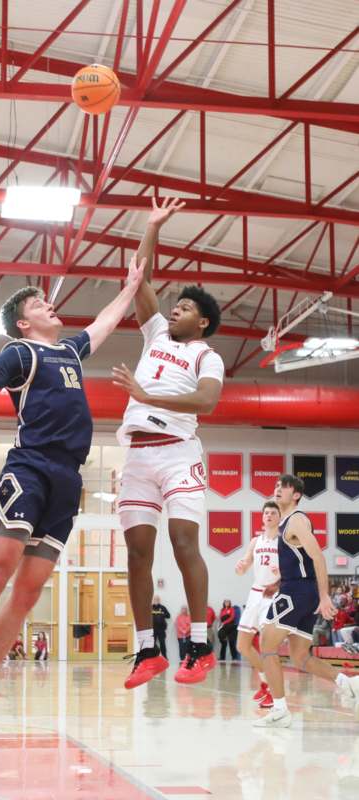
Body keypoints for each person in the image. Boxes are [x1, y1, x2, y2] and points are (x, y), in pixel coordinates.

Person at [0, 255, 146, 741]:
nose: (50, 305)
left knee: (31, 589)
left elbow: (105, 321)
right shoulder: (19, 353)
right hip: (30, 466)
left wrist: (132, 286)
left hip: (68, 479)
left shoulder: (72, 353)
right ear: (23, 320)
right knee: (0, 570)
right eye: (39, 303)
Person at [113, 197, 224, 690]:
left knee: (183, 543)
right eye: (174, 304)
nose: (174, 308)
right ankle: (147, 651)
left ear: (200, 322)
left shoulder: (207, 354)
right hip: (138, 455)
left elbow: (205, 403)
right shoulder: (155, 332)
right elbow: (140, 275)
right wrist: (152, 226)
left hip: (179, 454)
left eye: (185, 308)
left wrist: (146, 394)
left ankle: (199, 645)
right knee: (137, 551)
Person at [255, 474, 359, 728]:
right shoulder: (285, 523)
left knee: (266, 643)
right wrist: (276, 585)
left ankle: (279, 709)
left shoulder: (296, 521)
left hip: (298, 593)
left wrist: (324, 596)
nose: (278, 489)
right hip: (298, 590)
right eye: (277, 485)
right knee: (300, 656)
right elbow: (299, 565)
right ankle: (348, 682)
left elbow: (318, 558)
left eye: (285, 486)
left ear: (297, 494)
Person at [235, 500, 280, 709]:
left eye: (273, 512)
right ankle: (266, 683)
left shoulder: (283, 542)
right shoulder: (255, 541)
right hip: (255, 593)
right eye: (266, 513)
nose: (269, 515)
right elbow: (244, 566)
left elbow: (292, 571)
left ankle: (275, 693)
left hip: (273, 595)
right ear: (262, 517)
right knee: (242, 645)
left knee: (266, 646)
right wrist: (241, 566)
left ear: (279, 517)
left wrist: (278, 582)